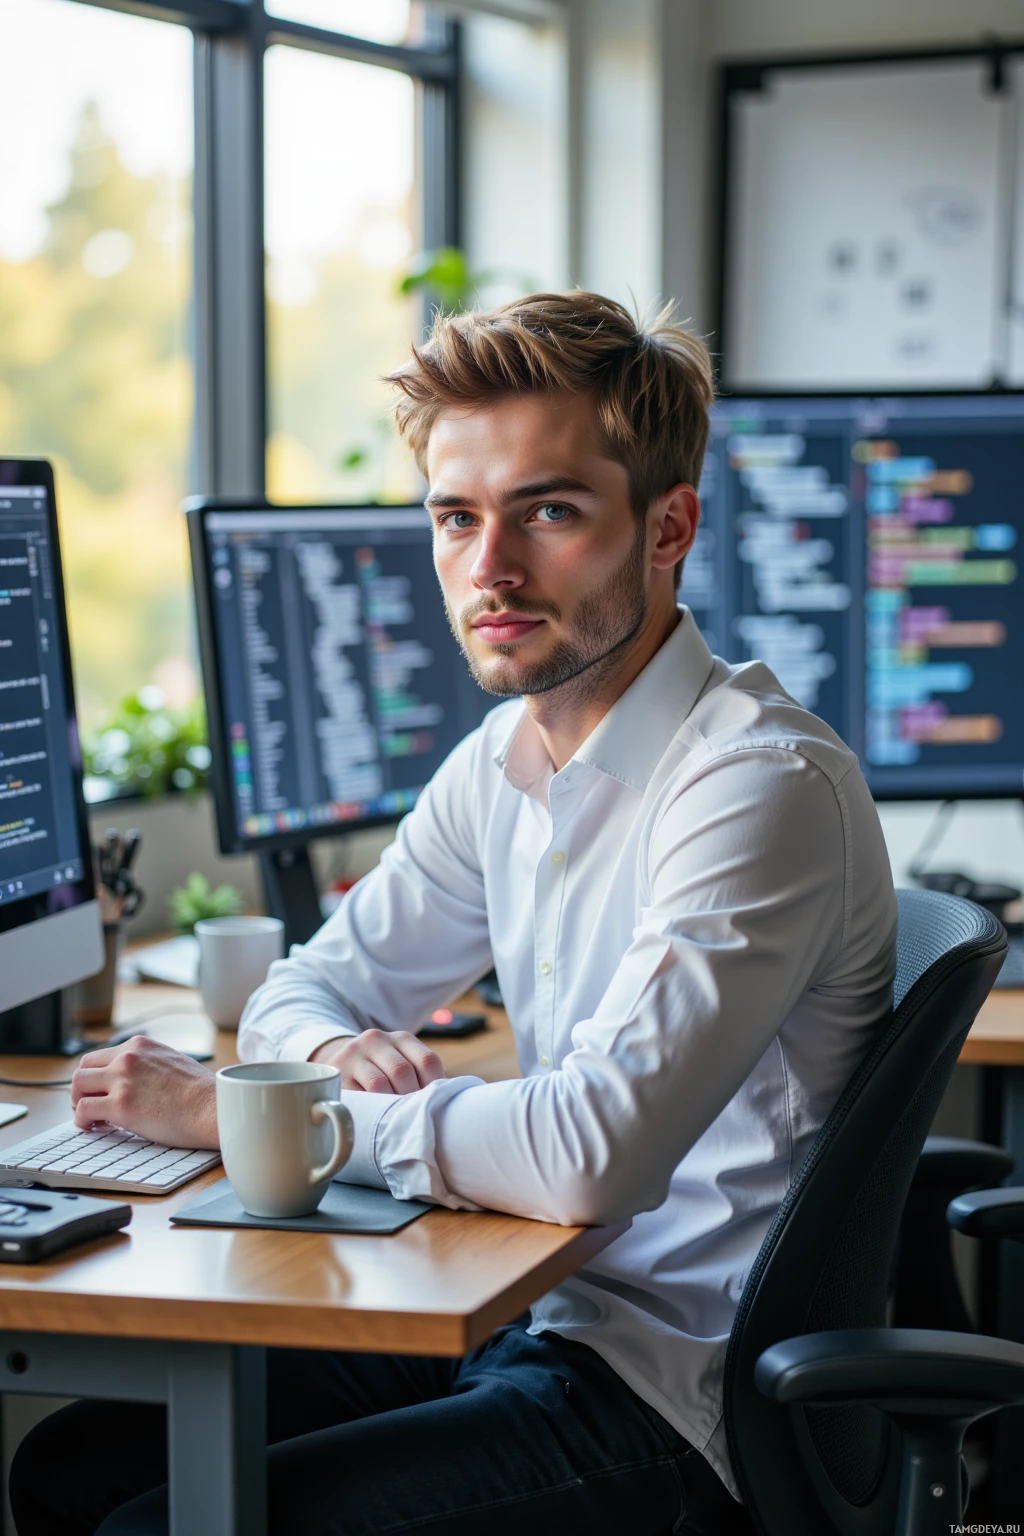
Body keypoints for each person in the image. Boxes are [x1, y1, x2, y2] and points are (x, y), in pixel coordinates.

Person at [11, 292, 897, 1536]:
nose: (490, 568)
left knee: (152, 1522)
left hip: (678, 1399)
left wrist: (260, 1115)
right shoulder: (506, 759)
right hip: (539, 1314)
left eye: (547, 512)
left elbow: (591, 1152)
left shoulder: (755, 785)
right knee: (79, 1464)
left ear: (668, 527)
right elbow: (298, 987)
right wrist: (326, 1053)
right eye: (454, 517)